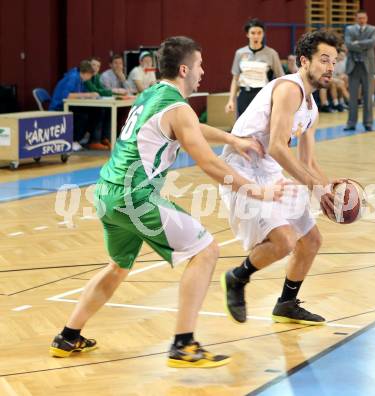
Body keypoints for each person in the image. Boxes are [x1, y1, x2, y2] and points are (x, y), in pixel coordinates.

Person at [49, 36, 285, 368]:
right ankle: (183, 344)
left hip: (105, 193)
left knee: (118, 267)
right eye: (200, 65)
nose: (203, 72)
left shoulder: (151, 95)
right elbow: (209, 163)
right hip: (135, 197)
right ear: (185, 69)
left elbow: (191, 127)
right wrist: (257, 191)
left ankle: (68, 335)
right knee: (206, 250)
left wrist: (230, 137)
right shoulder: (177, 107)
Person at [220, 29, 341, 326]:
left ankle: (286, 303)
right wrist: (316, 189)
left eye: (334, 61)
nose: (330, 67)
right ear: (304, 61)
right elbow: (275, 145)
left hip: (268, 169)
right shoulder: (289, 88)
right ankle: (237, 278)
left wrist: (328, 189)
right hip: (242, 167)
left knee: (311, 239)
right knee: (284, 240)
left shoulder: (312, 109)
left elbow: (307, 160)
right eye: (324, 59)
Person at [225, 18, 284, 117]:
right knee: (242, 129)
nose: (256, 36)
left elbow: (281, 78)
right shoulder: (240, 53)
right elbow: (235, 79)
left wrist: (279, 99)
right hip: (244, 95)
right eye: (253, 33)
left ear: (263, 34)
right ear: (247, 35)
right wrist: (231, 100)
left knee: (261, 129)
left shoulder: (271, 53)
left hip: (263, 95)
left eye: (259, 33)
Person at [49, 60, 99, 151]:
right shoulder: (73, 77)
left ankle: (82, 137)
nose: (90, 78)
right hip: (59, 107)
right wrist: (87, 95)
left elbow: (81, 92)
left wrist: (89, 95)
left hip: (69, 105)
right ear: (86, 73)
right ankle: (73, 140)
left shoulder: (80, 79)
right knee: (82, 116)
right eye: (90, 75)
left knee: (95, 111)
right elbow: (67, 95)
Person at [344, 9, 375, 132]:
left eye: (364, 18)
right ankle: (351, 123)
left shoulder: (373, 29)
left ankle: (368, 123)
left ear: (367, 18)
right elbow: (348, 44)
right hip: (353, 66)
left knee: (368, 96)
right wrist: (364, 46)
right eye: (359, 18)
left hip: (367, 67)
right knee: (352, 97)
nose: (362, 20)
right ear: (355, 18)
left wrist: (357, 43)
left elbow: (373, 43)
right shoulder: (349, 29)